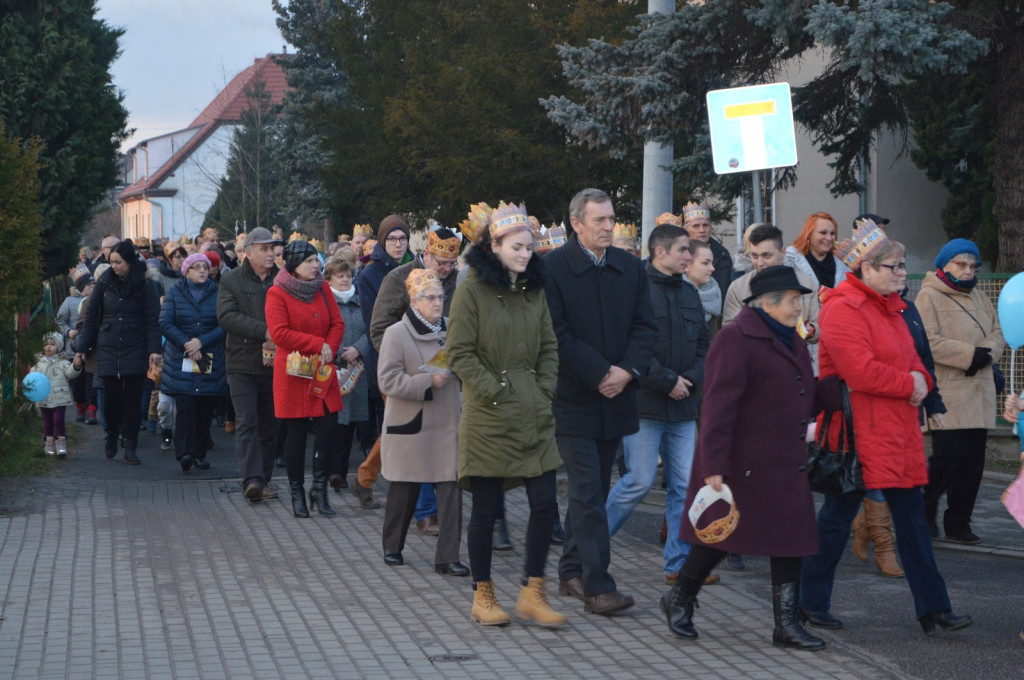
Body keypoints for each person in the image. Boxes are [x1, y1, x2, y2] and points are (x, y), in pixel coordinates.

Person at [799, 220, 973, 637]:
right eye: (893, 266)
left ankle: (934, 609)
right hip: (857, 437)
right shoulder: (842, 308)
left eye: (899, 266)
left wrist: (922, 383)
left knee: (912, 525)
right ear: (865, 269)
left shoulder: (894, 308)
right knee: (837, 522)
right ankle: (809, 601)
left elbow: (916, 360)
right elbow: (860, 373)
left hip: (896, 434)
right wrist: (910, 385)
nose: (901, 273)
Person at [660, 266, 825, 650]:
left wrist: (836, 392)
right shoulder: (735, 339)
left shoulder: (792, 339)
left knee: (792, 539)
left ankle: (785, 626)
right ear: (767, 303)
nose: (798, 307)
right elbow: (718, 406)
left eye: (799, 299)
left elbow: (802, 392)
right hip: (741, 460)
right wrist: (714, 463)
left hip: (784, 458)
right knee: (720, 535)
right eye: (792, 300)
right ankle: (679, 597)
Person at [448, 201, 564, 627]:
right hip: (489, 416)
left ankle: (533, 592)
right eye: (515, 247)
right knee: (486, 508)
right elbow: (459, 352)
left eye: (529, 247)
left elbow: (549, 346)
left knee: (544, 503)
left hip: (533, 410)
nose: (524, 254)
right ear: (493, 245)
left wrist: (543, 389)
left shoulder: (534, 289)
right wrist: (495, 391)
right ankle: (484, 595)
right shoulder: (472, 289)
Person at [544, 187, 658, 615]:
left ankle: (570, 571)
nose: (610, 226)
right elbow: (556, 335)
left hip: (618, 396)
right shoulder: (552, 269)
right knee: (589, 489)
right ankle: (597, 586)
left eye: (612, 219)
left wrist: (626, 371)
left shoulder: (630, 267)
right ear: (577, 224)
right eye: (600, 220)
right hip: (573, 398)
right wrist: (599, 374)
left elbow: (646, 327)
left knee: (592, 490)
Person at [605, 224, 710, 586]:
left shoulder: (689, 293)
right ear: (661, 252)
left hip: (683, 408)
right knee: (638, 481)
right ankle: (589, 546)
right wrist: (667, 381)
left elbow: (703, 346)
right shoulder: (637, 291)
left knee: (684, 486)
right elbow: (631, 346)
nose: (688, 257)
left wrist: (690, 380)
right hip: (646, 405)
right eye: (683, 250)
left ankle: (678, 565)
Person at [367, 227, 461, 533]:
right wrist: (405, 359)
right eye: (441, 263)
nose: (447, 270)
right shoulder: (397, 279)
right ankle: (424, 512)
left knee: (445, 443)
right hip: (407, 374)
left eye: (452, 264)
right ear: (426, 254)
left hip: (448, 377)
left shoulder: (457, 280)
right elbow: (379, 328)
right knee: (416, 443)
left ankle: (439, 511)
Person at [916, 238, 1005, 544]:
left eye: (972, 265)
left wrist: (987, 353)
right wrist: (970, 354)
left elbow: (998, 331)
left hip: (980, 392)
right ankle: (924, 509)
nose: (968, 270)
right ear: (944, 265)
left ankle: (959, 521)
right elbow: (928, 340)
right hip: (949, 392)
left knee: (973, 463)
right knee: (948, 456)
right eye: (961, 264)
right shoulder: (928, 297)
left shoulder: (981, 297)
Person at [378, 269, 467, 576]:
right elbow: (388, 380)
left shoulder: (451, 330)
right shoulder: (396, 334)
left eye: (440, 297)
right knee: (404, 490)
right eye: (430, 298)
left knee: (451, 491)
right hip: (411, 424)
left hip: (447, 425)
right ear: (414, 301)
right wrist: (427, 381)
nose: (437, 303)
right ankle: (392, 546)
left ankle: (448, 557)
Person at [266, 240, 344, 518]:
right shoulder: (277, 293)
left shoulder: (323, 287)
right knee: (295, 437)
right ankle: (297, 492)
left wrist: (330, 348)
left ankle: (319, 490)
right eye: (310, 261)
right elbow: (279, 333)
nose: (316, 265)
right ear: (294, 265)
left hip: (322, 371)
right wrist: (316, 344)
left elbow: (337, 323)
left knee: (329, 428)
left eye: (317, 260)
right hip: (294, 373)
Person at [75, 240, 162, 464]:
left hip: (136, 346)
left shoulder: (145, 285)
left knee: (133, 400)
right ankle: (112, 434)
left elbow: (153, 320)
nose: (114, 266)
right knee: (112, 399)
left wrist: (154, 350)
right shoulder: (104, 283)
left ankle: (130, 446)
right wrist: (82, 349)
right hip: (109, 346)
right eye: (111, 262)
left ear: (130, 262)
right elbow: (92, 317)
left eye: (118, 262)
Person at [217, 227, 283, 504]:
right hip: (242, 363)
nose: (270, 254)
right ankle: (251, 480)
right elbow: (226, 316)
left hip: (276, 364)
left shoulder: (282, 280)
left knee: (271, 426)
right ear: (248, 252)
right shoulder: (231, 280)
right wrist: (265, 330)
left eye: (272, 249)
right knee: (246, 422)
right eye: (264, 249)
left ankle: (263, 479)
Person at [352, 216, 413, 510]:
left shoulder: (417, 267)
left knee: (401, 424)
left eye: (402, 238)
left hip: (420, 358)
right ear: (382, 241)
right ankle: (366, 477)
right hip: (388, 358)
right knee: (401, 423)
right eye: (392, 239)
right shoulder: (370, 276)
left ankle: (366, 477)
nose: (398, 244)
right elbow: (374, 323)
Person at [159, 253, 227, 472]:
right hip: (182, 356)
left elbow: (224, 324)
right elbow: (166, 322)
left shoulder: (218, 292)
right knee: (186, 405)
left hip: (208, 356)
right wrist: (188, 344)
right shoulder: (175, 292)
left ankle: (200, 453)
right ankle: (185, 453)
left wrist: (202, 342)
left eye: (205, 268)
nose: (202, 271)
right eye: (196, 267)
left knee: (204, 406)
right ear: (186, 271)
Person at [723, 224, 820, 374]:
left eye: (766, 255)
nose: (760, 263)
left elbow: (818, 327)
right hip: (755, 371)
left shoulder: (805, 283)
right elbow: (730, 335)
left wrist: (806, 331)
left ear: (783, 252)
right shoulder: (737, 288)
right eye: (754, 256)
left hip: (796, 367)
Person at [325, 256, 370, 492]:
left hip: (359, 371)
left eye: (348, 275)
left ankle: (363, 477)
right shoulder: (325, 302)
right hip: (333, 369)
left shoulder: (361, 300)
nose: (345, 280)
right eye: (339, 275)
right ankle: (335, 473)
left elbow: (373, 329)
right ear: (330, 278)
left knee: (359, 424)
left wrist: (358, 349)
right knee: (337, 425)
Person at [32, 333, 83, 456]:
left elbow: (70, 374)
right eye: (46, 344)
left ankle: (61, 443)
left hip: (59, 397)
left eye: (52, 344)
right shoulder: (38, 363)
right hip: (43, 397)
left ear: (59, 346)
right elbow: (33, 377)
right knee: (47, 422)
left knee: (58, 420)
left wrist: (75, 366)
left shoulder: (63, 363)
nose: (48, 347)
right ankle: (49, 443)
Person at [57, 272, 95, 423]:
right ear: (82, 286)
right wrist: (68, 331)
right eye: (90, 284)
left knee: (91, 381)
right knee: (77, 383)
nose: (93, 287)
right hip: (74, 349)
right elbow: (59, 320)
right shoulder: (69, 301)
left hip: (92, 350)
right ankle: (80, 406)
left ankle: (92, 410)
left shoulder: (95, 299)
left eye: (93, 284)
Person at [784, 212, 851, 289]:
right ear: (809, 234)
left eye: (832, 233)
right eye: (823, 233)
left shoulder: (842, 268)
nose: (829, 238)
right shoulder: (790, 258)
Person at [682, 202, 732, 298]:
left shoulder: (723, 255)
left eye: (705, 225)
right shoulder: (679, 255)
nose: (702, 230)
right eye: (696, 226)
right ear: (686, 229)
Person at [682, 239, 720, 339]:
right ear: (687, 265)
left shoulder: (715, 292)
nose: (712, 268)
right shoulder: (676, 295)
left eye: (712, 262)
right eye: (705, 263)